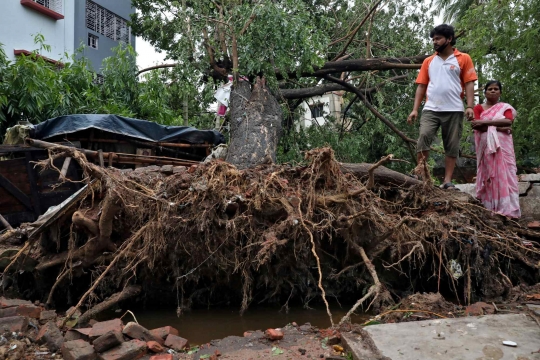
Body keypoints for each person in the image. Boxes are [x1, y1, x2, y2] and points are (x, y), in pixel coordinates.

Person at [407, 24, 477, 189]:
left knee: (451, 145)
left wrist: (470, 106)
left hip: (454, 109)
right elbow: (421, 86)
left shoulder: (463, 58)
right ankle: (421, 175)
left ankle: (447, 181)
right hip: (431, 108)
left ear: (449, 39)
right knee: (424, 136)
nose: (435, 42)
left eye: (438, 38)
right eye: (433, 39)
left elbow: (469, 84)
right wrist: (415, 109)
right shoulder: (428, 61)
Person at [472, 80, 520, 218]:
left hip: (504, 147)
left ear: (500, 92)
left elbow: (508, 121)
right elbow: (476, 125)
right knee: (489, 175)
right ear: (485, 92)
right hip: (486, 146)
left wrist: (486, 122)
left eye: (496, 89)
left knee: (507, 173)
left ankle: (509, 209)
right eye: (490, 89)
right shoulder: (478, 108)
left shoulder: (505, 107)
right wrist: (500, 127)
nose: (493, 91)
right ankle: (490, 209)